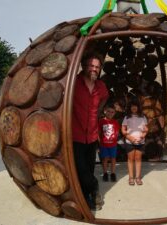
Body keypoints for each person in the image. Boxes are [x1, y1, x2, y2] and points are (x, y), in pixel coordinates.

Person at [72, 53, 108, 210]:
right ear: (84, 66)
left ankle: (88, 198)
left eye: (97, 67)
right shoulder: (74, 83)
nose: (94, 69)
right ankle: (94, 186)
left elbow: (105, 97)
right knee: (81, 168)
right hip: (75, 133)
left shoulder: (101, 86)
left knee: (90, 166)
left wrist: (98, 111)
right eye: (91, 66)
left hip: (92, 135)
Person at [121, 99, 148, 186]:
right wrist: (129, 137)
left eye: (135, 106)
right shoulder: (127, 117)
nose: (134, 107)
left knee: (138, 159)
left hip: (140, 142)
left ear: (138, 107)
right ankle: (131, 177)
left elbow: (145, 130)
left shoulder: (143, 117)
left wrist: (143, 136)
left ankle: (138, 177)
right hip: (129, 142)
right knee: (130, 159)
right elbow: (123, 129)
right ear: (129, 107)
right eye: (132, 106)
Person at [98, 104, 120, 182]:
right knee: (105, 159)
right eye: (108, 111)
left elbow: (117, 133)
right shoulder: (101, 121)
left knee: (113, 159)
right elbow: (99, 133)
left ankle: (113, 173)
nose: (110, 113)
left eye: (112, 112)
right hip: (104, 145)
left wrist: (114, 140)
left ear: (114, 113)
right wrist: (100, 143)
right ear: (105, 111)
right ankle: (105, 173)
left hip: (113, 145)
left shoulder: (115, 122)